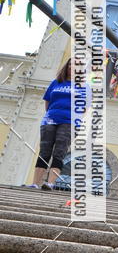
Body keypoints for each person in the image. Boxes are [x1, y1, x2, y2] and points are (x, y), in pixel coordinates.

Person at [29, 58, 73, 190]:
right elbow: (47, 101)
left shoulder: (83, 86)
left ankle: (50, 183)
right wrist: (51, 115)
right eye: (70, 64)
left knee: (59, 151)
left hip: (68, 122)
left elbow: (83, 107)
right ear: (67, 66)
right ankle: (35, 183)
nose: (72, 67)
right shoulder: (56, 83)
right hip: (50, 120)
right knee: (44, 151)